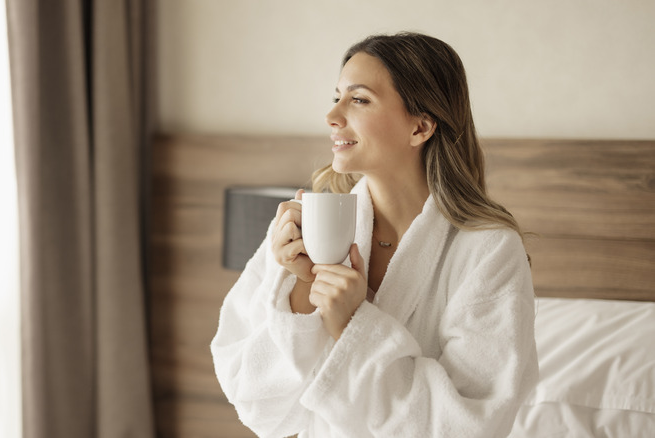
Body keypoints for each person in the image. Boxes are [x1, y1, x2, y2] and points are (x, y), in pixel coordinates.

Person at [210, 32, 538, 437]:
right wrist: (299, 293)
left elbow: (470, 424)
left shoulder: (488, 250)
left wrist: (352, 323)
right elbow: (258, 405)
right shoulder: (305, 228)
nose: (332, 116)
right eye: (337, 97)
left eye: (359, 99)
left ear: (420, 126)